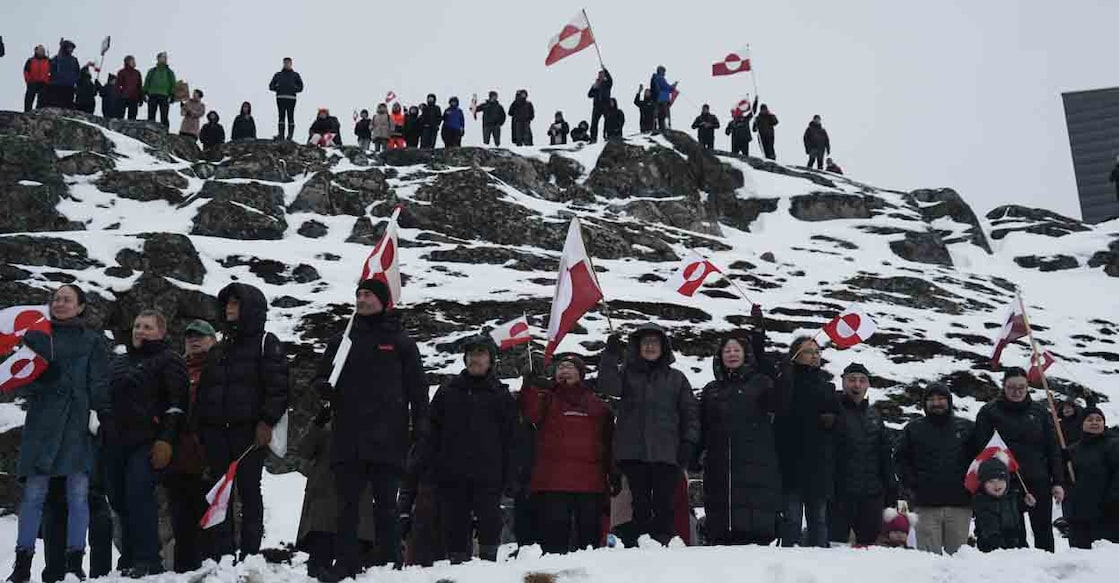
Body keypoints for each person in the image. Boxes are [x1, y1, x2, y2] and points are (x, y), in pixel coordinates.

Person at [312, 278, 429, 579]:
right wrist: (323, 389)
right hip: (347, 436)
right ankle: (346, 563)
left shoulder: (401, 341)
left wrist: (421, 425)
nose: (362, 299)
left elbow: (418, 388)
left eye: (368, 295)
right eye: (359, 294)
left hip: (388, 437)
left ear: (382, 300)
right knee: (347, 505)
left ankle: (389, 564)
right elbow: (320, 379)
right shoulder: (342, 341)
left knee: (386, 505)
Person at [7, 285, 109, 583]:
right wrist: (40, 380)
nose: (60, 303)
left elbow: (99, 383)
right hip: (42, 426)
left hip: (77, 425)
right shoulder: (36, 338)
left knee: (78, 495)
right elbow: (20, 379)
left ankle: (73, 563)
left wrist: (102, 416)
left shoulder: (92, 342)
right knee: (34, 496)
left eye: (67, 299)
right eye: (56, 299)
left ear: (80, 307)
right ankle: (22, 563)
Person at [196, 283, 290, 561]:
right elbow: (205, 392)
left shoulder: (266, 342)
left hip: (248, 432)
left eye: (236, 303)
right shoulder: (219, 350)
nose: (229, 308)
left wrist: (266, 421)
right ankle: (223, 554)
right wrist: (201, 428)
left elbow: (279, 387)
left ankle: (250, 553)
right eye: (228, 303)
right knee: (220, 492)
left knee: (249, 491)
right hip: (216, 433)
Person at [103, 309, 188, 577]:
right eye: (138, 325)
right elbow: (104, 396)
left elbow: (177, 403)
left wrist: (166, 440)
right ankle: (128, 556)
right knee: (118, 498)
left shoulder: (169, 360)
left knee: (138, 493)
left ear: (161, 332)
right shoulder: (119, 362)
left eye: (148, 327)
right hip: (115, 441)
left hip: (148, 440)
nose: (140, 330)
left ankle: (148, 558)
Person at [598, 324, 698, 546]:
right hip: (633, 453)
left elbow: (690, 413)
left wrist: (688, 442)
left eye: (655, 342)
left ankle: (664, 544)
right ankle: (639, 546)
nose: (650, 346)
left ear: (664, 348)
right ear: (637, 347)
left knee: (664, 503)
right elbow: (608, 386)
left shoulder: (677, 378)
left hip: (667, 452)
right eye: (645, 342)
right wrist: (610, 356)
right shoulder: (626, 374)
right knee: (639, 504)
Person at [423, 336, 517, 563]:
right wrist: (431, 465)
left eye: (481, 355)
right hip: (452, 470)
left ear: (490, 360)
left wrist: (511, 474)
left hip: (490, 471)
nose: (476, 359)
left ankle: (488, 566)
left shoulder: (501, 395)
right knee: (455, 522)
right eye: (472, 355)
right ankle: (457, 565)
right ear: (465, 359)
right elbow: (430, 432)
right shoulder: (447, 391)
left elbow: (512, 438)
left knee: (490, 520)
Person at [697, 328, 787, 546]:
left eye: (736, 350)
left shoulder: (761, 384)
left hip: (757, 467)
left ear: (746, 354)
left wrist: (776, 371)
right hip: (719, 467)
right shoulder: (711, 390)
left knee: (754, 535)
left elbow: (780, 403)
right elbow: (702, 426)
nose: (731, 354)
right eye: (726, 350)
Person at [521, 353, 615, 554]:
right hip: (553, 480)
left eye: (570, 366)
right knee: (554, 537)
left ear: (580, 373)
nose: (564, 369)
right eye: (560, 367)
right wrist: (529, 386)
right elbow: (530, 415)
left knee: (589, 539)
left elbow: (608, 440)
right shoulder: (545, 398)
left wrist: (612, 472)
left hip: (590, 480)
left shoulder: (597, 404)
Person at [973, 367, 1064, 552]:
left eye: (1021, 387)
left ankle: (1047, 569)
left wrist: (1058, 481)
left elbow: (1052, 448)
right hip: (1004, 482)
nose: (1017, 392)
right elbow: (981, 447)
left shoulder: (1039, 412)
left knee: (1043, 530)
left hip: (1039, 479)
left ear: (1028, 387)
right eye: (1011, 387)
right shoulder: (989, 412)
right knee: (1012, 532)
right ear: (1003, 387)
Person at [296, 405, 378, 580]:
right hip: (323, 508)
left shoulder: (371, 420)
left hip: (355, 508)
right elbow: (304, 450)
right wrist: (317, 424)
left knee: (349, 572)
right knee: (317, 570)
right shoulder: (327, 421)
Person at [773, 336, 841, 548]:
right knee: (792, 520)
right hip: (791, 462)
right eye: (809, 352)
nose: (815, 356)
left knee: (819, 522)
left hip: (818, 465)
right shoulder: (785, 382)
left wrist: (833, 420)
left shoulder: (826, 385)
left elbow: (839, 423)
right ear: (796, 355)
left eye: (817, 352)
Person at [893, 383, 975, 555]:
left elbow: (978, 460)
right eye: (931, 399)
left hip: (960, 504)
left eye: (941, 398)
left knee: (961, 558)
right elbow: (900, 460)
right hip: (926, 505)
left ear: (949, 401)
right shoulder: (913, 429)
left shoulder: (967, 428)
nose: (936, 403)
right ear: (925, 403)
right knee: (929, 558)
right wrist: (912, 485)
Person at [164, 319, 218, 573]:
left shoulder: (219, 368)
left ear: (213, 340)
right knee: (180, 518)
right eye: (189, 337)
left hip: (208, 453)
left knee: (208, 518)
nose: (194, 340)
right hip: (176, 454)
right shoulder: (176, 369)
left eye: (201, 336)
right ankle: (182, 573)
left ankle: (210, 570)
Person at [829, 363, 897, 546]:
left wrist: (891, 486)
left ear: (868, 385)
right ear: (843, 382)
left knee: (868, 546)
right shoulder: (833, 411)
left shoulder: (874, 416)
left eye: (861, 381)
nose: (856, 385)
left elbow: (884, 454)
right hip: (840, 493)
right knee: (835, 545)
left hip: (872, 493)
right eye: (852, 380)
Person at [1064, 407, 1119, 548]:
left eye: (1098, 419)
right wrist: (1062, 460)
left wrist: (1113, 499)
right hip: (1079, 514)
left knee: (1105, 556)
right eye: (1090, 419)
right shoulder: (1072, 450)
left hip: (1108, 512)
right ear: (1082, 423)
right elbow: (1065, 480)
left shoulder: (1114, 444)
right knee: (1081, 559)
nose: (1094, 422)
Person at [973, 457, 1029, 552]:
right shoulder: (981, 502)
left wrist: (1027, 503)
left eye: (1001, 480)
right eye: (991, 482)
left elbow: (1019, 517)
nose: (997, 485)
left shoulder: (1012, 497)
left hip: (1017, 550)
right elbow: (989, 531)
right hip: (992, 552)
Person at [269, 57, 303, 141]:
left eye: (288, 63)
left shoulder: (295, 75)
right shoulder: (278, 75)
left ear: (291, 64)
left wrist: (294, 89)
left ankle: (290, 136)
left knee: (290, 116)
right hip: (280, 97)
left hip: (291, 98)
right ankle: (281, 135)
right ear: (283, 64)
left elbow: (301, 87)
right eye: (285, 63)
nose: (287, 64)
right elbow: (271, 86)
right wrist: (277, 88)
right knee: (281, 116)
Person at [143, 52, 176, 128]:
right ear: (158, 58)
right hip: (152, 95)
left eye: (165, 58)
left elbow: (173, 84)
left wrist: (172, 95)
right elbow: (147, 82)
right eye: (163, 57)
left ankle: (165, 131)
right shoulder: (152, 71)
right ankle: (150, 129)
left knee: (164, 116)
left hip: (164, 96)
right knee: (151, 115)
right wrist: (144, 93)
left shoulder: (169, 72)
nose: (165, 59)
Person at [44, 40, 80, 109]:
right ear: (65, 48)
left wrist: (73, 80)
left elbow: (77, 72)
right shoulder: (56, 59)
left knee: (68, 107)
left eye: (72, 48)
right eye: (70, 48)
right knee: (56, 106)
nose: (71, 50)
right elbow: (50, 70)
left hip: (69, 87)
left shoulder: (74, 60)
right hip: (56, 86)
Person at [587, 68, 613, 142]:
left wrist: (605, 70)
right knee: (594, 123)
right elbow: (589, 95)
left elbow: (611, 79)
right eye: (599, 75)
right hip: (597, 106)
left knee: (607, 121)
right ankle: (593, 138)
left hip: (606, 104)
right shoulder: (596, 84)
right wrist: (594, 88)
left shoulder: (607, 83)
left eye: (602, 75)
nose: (600, 76)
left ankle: (607, 136)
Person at [23, 44, 50, 112]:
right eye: (40, 50)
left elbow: (52, 72)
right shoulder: (31, 60)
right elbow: (26, 71)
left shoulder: (48, 61)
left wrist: (48, 80)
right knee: (29, 98)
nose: (42, 52)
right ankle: (27, 112)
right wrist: (28, 81)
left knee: (42, 99)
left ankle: (39, 112)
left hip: (43, 83)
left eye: (43, 51)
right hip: (32, 82)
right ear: (36, 51)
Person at [115, 55, 143, 120]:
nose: (134, 62)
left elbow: (139, 86)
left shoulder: (137, 73)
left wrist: (141, 97)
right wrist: (119, 94)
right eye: (132, 60)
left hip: (134, 97)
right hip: (123, 97)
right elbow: (118, 85)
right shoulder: (122, 72)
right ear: (128, 62)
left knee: (132, 117)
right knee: (120, 116)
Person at [650, 66, 677, 132]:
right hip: (662, 99)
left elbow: (666, 87)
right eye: (664, 71)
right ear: (660, 71)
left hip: (661, 98)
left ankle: (660, 127)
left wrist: (672, 87)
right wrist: (672, 87)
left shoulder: (656, 78)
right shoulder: (659, 78)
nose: (664, 73)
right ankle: (664, 127)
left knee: (661, 114)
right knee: (664, 114)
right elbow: (665, 87)